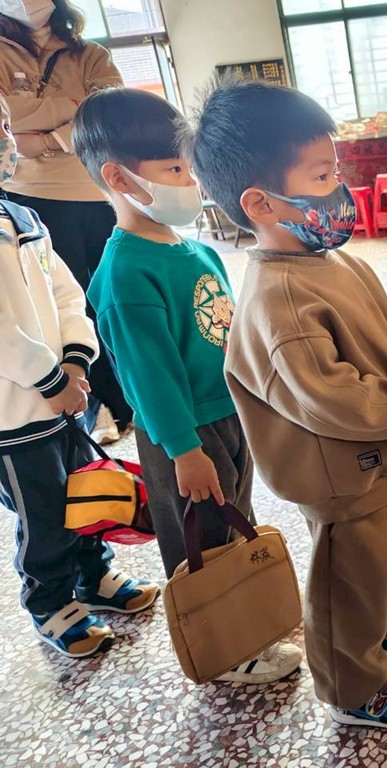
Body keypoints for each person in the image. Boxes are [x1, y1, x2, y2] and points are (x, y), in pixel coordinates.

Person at [181, 78, 387, 729]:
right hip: (341, 473)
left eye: (336, 171)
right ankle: (353, 686)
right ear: (261, 202)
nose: (340, 190)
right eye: (321, 176)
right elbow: (335, 402)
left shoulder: (333, 263)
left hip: (385, 455)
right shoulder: (279, 302)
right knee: (351, 580)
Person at [71, 86, 302, 685]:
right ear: (119, 177)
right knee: (202, 540)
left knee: (234, 521)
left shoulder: (198, 251)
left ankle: (250, 616)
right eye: (174, 170)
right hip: (183, 431)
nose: (190, 182)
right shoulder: (127, 272)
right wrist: (184, 451)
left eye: (189, 168)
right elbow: (148, 377)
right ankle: (226, 648)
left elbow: (228, 337)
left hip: (226, 415)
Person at [0, 96, 158, 659]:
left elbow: (67, 294)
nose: (6, 142)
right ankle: (51, 602)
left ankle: (95, 573)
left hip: (65, 396)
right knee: (44, 513)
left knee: (84, 489)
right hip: (14, 417)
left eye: (4, 127)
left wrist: (74, 361)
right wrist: (50, 382)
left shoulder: (23, 217)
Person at [0, 0, 132, 445]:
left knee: (113, 303)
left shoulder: (91, 54)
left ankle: (130, 398)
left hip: (98, 194)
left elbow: (110, 118)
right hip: (30, 199)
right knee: (60, 310)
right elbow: (5, 117)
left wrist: (43, 140)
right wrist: (70, 108)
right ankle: (91, 408)